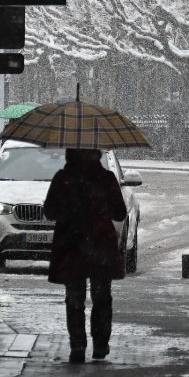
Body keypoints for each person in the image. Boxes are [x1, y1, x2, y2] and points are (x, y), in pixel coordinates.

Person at [42, 148, 130, 363]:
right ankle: (100, 344)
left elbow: (49, 211)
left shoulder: (63, 178)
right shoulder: (106, 179)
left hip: (71, 244)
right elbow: (119, 212)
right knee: (101, 297)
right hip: (100, 245)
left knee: (74, 298)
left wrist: (70, 211)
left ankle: (77, 346)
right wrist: (99, 210)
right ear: (96, 153)